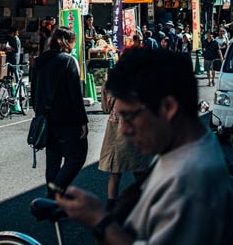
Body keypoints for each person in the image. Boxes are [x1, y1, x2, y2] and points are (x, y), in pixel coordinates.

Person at [56, 48, 233, 245]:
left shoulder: (191, 183)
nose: (124, 130)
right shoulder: (177, 150)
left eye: (129, 116)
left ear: (168, 108)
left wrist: (99, 221)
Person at [31, 26, 88, 198]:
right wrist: (83, 121)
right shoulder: (68, 61)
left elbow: (33, 91)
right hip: (67, 118)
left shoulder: (40, 60)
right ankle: (53, 194)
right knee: (77, 157)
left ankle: (52, 197)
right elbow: (75, 95)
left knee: (53, 158)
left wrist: (39, 111)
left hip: (46, 117)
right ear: (68, 41)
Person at [99, 80, 148, 211]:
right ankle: (145, 204)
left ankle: (111, 205)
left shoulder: (110, 84)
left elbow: (105, 108)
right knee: (140, 171)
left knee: (115, 173)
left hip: (116, 131)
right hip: (136, 130)